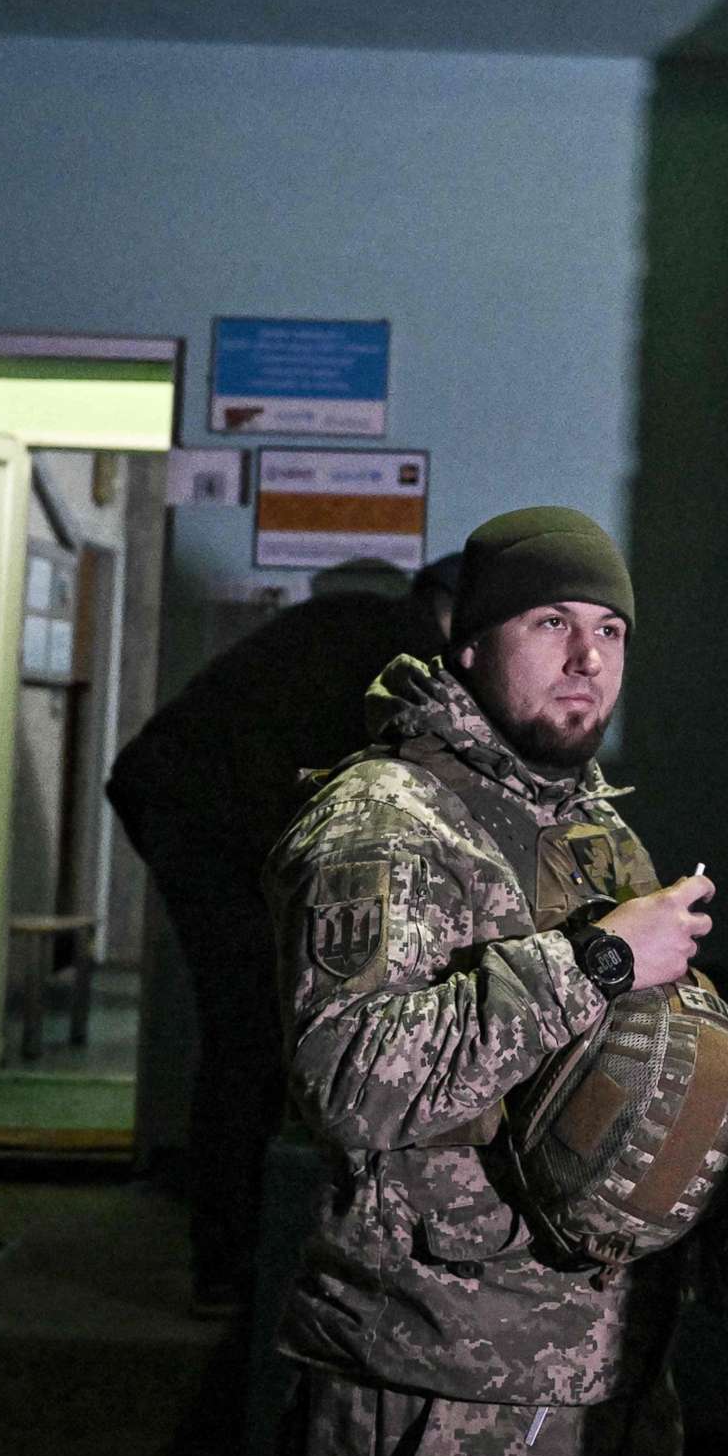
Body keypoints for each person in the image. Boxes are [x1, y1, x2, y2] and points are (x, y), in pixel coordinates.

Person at [264, 506, 722, 1456]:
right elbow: (346, 1079)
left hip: (597, 1370)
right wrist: (592, 961)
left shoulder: (588, 823)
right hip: (438, 1378)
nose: (587, 658)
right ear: (470, 647)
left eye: (610, 631)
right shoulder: (385, 819)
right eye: (551, 622)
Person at [107, 552, 460, 1314]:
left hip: (193, 815)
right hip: (221, 832)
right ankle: (231, 1269)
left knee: (254, 1039)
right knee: (253, 1042)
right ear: (451, 610)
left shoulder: (339, 625)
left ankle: (232, 1262)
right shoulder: (410, 652)